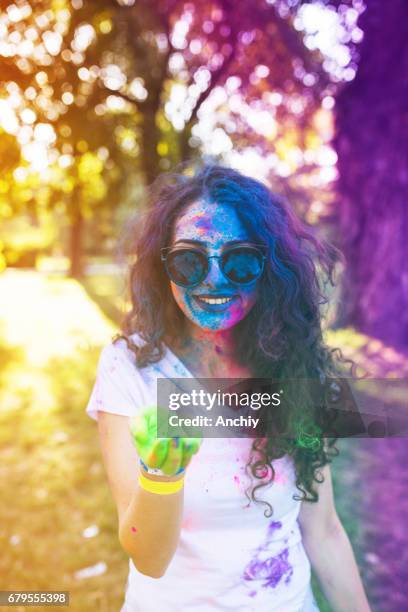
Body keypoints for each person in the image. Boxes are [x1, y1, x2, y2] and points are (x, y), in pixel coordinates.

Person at [86, 162, 371, 611]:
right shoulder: (130, 367)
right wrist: (164, 474)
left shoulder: (292, 365)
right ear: (163, 268)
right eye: (189, 259)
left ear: (270, 269)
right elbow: (148, 558)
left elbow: (324, 530)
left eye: (239, 261)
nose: (213, 279)